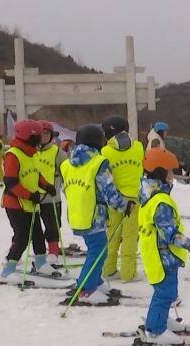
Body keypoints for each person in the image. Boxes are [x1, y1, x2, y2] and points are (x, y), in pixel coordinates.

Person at [60, 124, 131, 305]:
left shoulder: (67, 164)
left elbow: (66, 188)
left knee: (97, 248)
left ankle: (95, 281)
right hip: (94, 215)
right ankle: (86, 288)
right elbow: (108, 190)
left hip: (77, 215)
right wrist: (124, 204)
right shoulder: (98, 163)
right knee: (98, 250)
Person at [137, 147, 190, 345]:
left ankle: (160, 320)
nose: (173, 176)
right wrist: (189, 245)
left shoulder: (149, 195)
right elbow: (170, 233)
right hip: (162, 256)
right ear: (161, 173)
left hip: (158, 255)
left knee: (166, 292)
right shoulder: (161, 202)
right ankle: (156, 331)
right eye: (171, 172)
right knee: (165, 293)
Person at [0, 120, 59, 283]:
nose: (40, 139)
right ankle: (7, 271)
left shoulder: (32, 153)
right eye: (37, 136)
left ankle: (40, 262)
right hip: (15, 204)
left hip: (31, 203)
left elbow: (34, 174)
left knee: (38, 233)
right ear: (27, 136)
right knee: (22, 236)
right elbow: (11, 183)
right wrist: (30, 195)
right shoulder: (13, 154)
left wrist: (47, 186)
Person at [101, 115, 145, 282]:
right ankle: (128, 273)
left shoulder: (105, 151)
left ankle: (109, 269)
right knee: (130, 237)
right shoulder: (139, 147)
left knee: (111, 235)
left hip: (114, 200)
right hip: (134, 199)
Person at [35, 120, 67, 264]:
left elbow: (66, 171)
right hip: (33, 196)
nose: (43, 137)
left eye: (46, 134)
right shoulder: (31, 151)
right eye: (41, 134)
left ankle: (53, 250)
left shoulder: (57, 152)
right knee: (29, 226)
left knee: (53, 225)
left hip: (51, 197)